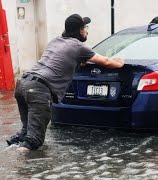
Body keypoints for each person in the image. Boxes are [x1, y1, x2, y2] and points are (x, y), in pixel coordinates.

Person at [6, 14, 124, 151]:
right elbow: (107, 62)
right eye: (86, 27)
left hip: (22, 84)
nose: (87, 30)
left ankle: (11, 152)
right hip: (38, 90)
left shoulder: (55, 41)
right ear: (80, 30)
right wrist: (120, 62)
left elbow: (64, 59)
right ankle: (21, 168)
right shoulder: (79, 47)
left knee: (25, 133)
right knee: (34, 140)